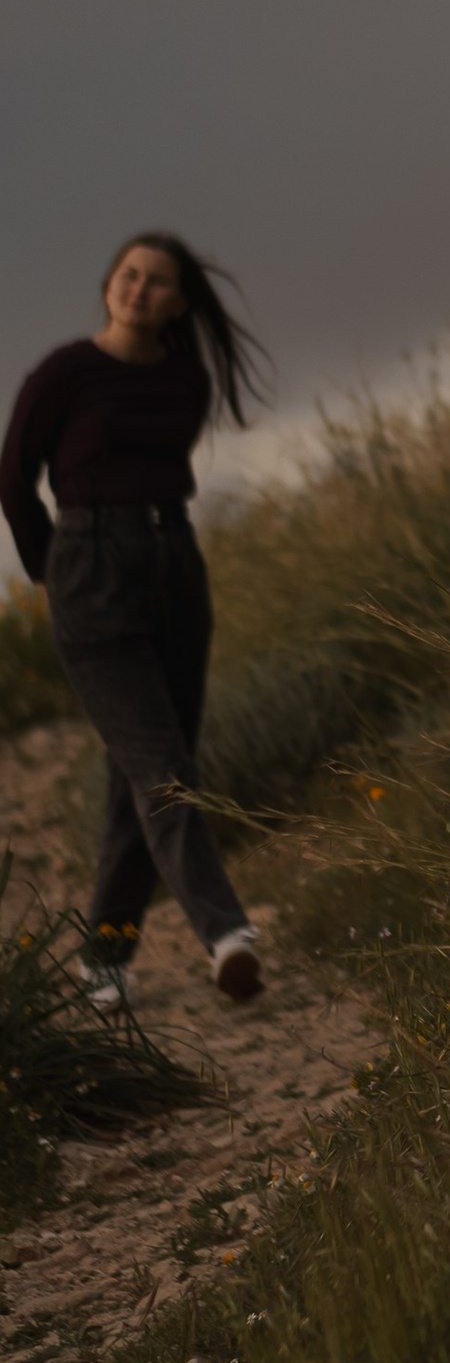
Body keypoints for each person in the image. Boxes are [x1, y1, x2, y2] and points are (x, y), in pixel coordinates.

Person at [0, 235, 270, 1011]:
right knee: (165, 771)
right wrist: (52, 570)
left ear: (178, 304)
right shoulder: (62, 373)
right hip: (92, 572)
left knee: (142, 772)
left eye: (157, 283)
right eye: (129, 275)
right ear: (109, 282)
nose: (138, 290)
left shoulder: (187, 378)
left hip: (175, 567)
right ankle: (227, 933)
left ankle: (105, 960)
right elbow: (13, 476)